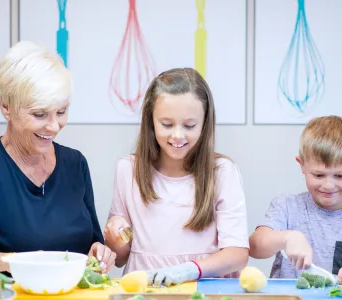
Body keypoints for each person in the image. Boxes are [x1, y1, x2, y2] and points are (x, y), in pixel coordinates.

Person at [0, 41, 115, 275]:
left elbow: (92, 243)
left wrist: (98, 252)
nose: (54, 126)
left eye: (61, 112)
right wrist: (3, 261)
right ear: (6, 107)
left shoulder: (76, 164)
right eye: (39, 114)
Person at [104, 68, 249, 286]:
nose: (178, 135)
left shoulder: (222, 172)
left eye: (189, 125)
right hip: (144, 290)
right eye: (167, 124)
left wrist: (188, 270)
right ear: (150, 120)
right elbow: (121, 257)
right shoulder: (128, 169)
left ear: (204, 123)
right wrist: (115, 239)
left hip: (204, 290)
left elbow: (237, 255)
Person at [249, 115, 342, 283]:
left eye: (340, 176)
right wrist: (287, 237)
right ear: (302, 165)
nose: (329, 185)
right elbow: (255, 246)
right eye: (319, 175)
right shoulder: (287, 206)